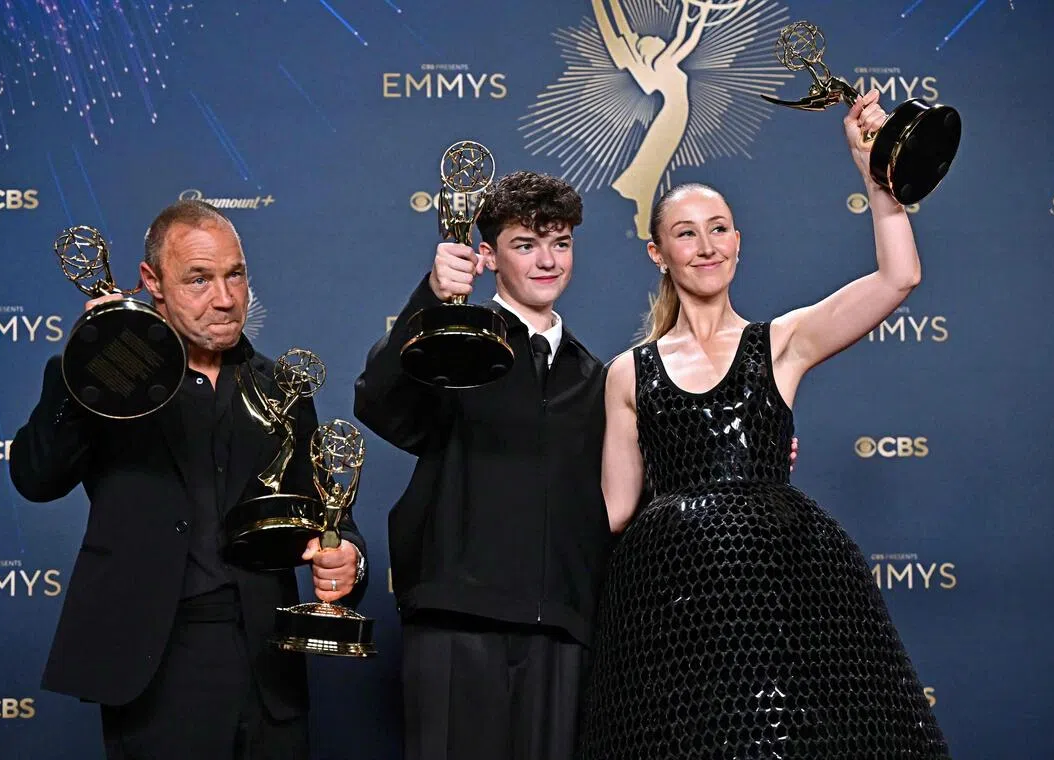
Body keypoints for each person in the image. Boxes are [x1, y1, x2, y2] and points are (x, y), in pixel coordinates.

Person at [577, 90, 951, 758]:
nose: (706, 245)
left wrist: (879, 180)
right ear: (657, 252)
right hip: (671, 610)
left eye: (719, 228)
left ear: (739, 243)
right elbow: (614, 509)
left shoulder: (782, 342)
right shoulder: (628, 375)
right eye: (686, 233)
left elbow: (898, 278)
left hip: (777, 597)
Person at [9, 199, 367, 759]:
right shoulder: (103, 377)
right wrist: (87, 366)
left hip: (266, 661)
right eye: (199, 279)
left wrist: (348, 555)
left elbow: (328, 513)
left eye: (235, 275)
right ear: (152, 281)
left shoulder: (284, 389)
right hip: (152, 663)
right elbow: (35, 478)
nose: (224, 299)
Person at [354, 171, 610, 760]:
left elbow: (626, 489)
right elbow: (378, 402)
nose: (547, 261)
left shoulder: (595, 376)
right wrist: (431, 300)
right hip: (456, 620)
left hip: (563, 629)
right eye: (526, 244)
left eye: (561, 242)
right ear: (488, 257)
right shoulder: (452, 341)